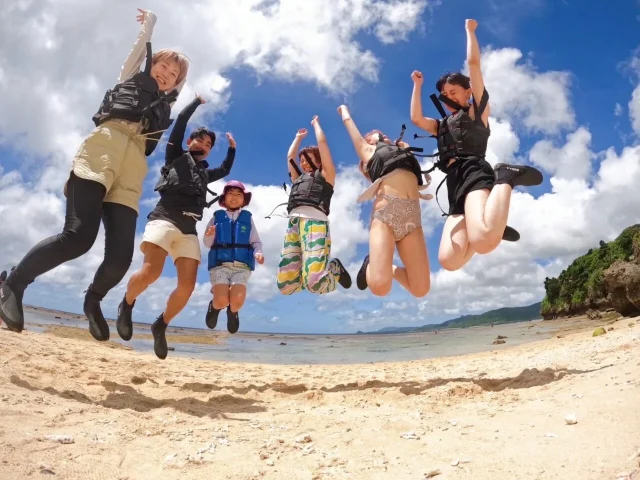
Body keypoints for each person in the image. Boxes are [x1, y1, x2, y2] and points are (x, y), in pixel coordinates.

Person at [0, 9, 189, 339]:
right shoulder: (132, 76)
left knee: (120, 257)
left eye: (173, 74)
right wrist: (150, 25)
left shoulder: (165, 107)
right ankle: (13, 284)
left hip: (133, 168)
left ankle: (93, 300)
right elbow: (139, 49)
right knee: (78, 236)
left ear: (176, 84)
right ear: (151, 64)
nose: (165, 73)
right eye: (162, 65)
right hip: (105, 146)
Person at [409, 19, 543, 272]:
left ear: (467, 92)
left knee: (483, 243)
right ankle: (491, 224)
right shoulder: (441, 125)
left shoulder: (476, 113)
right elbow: (416, 118)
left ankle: (505, 178)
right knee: (449, 261)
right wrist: (417, 86)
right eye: (445, 94)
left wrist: (469, 31)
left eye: (454, 91)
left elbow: (473, 65)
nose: (449, 97)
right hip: (453, 182)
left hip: (474, 172)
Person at [115, 94, 237, 359]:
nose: (204, 146)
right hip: (165, 218)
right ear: (189, 142)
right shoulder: (175, 155)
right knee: (152, 272)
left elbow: (225, 169)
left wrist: (232, 148)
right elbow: (180, 121)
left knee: (187, 286)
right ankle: (126, 305)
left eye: (208, 145)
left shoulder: (205, 172)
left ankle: (161, 324)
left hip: (189, 229)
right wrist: (195, 103)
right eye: (200, 141)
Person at [337, 105, 431, 298]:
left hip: (412, 217)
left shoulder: (404, 152)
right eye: (376, 136)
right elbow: (351, 128)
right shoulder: (368, 152)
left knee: (420, 289)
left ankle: (389, 267)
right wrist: (344, 112)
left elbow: (406, 156)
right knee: (380, 287)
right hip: (386, 212)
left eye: (383, 134)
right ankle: (371, 264)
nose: (381, 136)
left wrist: (399, 145)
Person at [276, 116, 352, 296]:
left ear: (318, 161)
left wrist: (316, 125)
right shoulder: (298, 179)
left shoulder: (326, 175)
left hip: (315, 222)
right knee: (285, 286)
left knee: (315, 283)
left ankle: (333, 270)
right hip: (294, 224)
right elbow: (289, 157)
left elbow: (323, 143)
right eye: (301, 160)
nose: (302, 163)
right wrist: (298, 138)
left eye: (307, 159)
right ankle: (308, 274)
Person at [203, 181, 264, 335]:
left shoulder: (247, 219)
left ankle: (232, 312)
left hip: (241, 268)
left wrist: (258, 252)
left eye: (239, 194)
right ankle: (214, 307)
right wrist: (209, 235)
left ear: (244, 199)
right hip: (220, 266)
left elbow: (256, 241)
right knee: (222, 300)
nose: (234, 197)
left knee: (236, 302)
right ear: (224, 198)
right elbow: (207, 243)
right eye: (231, 193)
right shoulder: (216, 217)